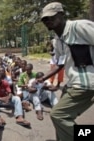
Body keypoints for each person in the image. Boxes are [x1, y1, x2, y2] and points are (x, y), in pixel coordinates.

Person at [40, 2, 94, 141]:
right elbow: (60, 64)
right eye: (44, 19)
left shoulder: (79, 27)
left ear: (62, 14)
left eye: (51, 17)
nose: (48, 21)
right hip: (73, 83)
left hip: (86, 84)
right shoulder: (57, 41)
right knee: (62, 119)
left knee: (58, 115)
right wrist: (41, 79)